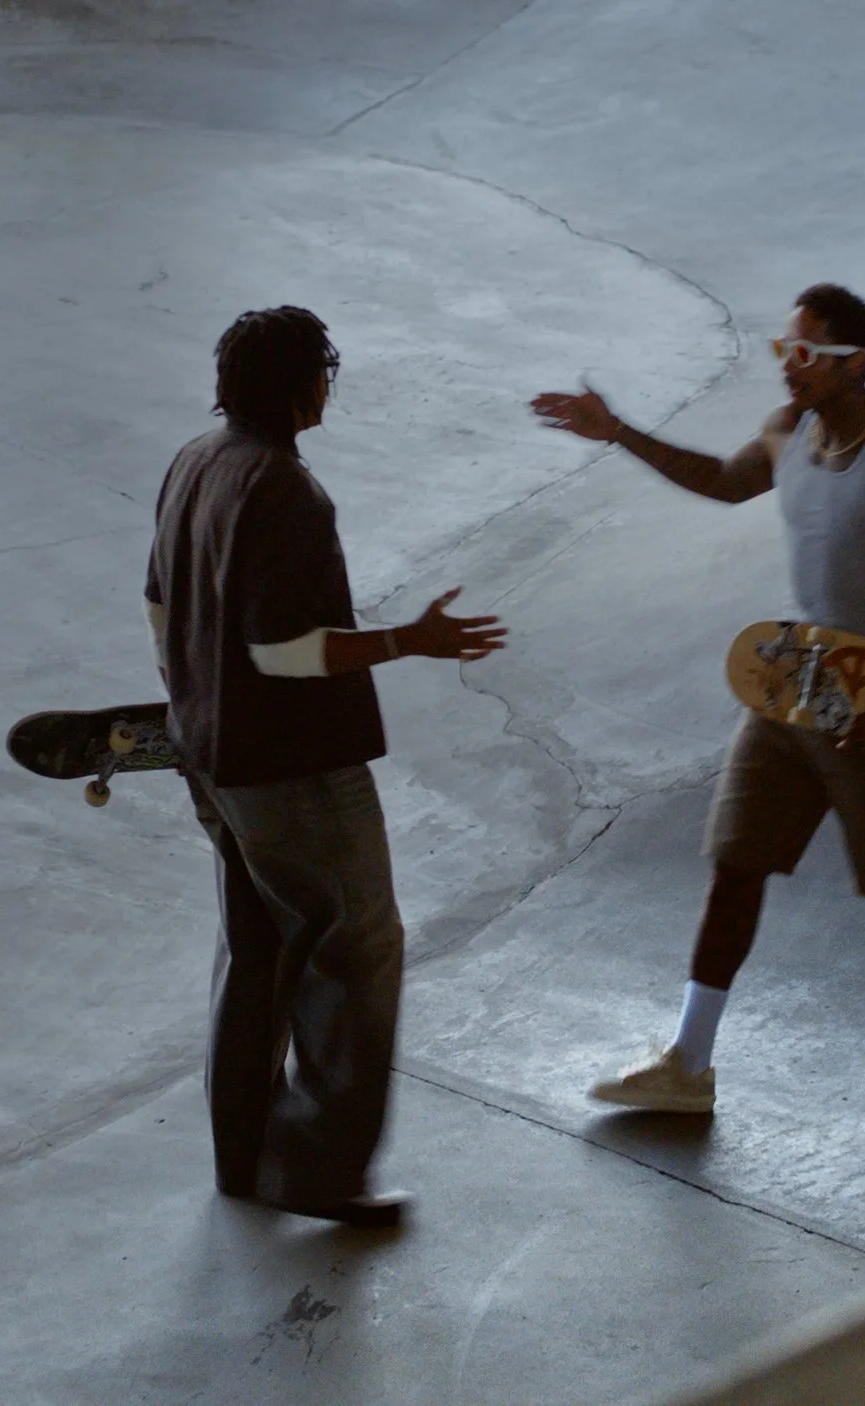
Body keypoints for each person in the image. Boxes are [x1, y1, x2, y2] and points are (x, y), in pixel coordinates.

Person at [530, 283, 865, 1113]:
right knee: (735, 865)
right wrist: (617, 431)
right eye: (784, 350)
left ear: (854, 363)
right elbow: (726, 482)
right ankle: (688, 1063)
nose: (789, 367)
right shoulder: (786, 434)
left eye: (805, 354)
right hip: (787, 684)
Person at [147, 305, 506, 1227]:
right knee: (354, 950)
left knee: (259, 946)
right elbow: (283, 650)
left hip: (215, 761)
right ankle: (317, 1166)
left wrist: (190, 702)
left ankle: (244, 1156)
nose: (327, 388)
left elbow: (158, 601)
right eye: (324, 373)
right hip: (295, 770)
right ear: (304, 384)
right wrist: (409, 640)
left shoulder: (196, 461)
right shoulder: (281, 490)